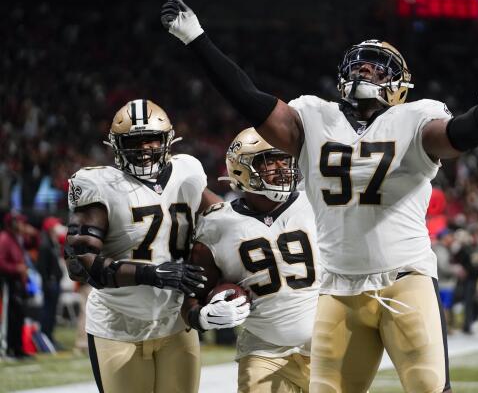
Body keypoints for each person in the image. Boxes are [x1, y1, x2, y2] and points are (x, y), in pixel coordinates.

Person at [161, 0, 478, 392]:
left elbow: (455, 137)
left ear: (399, 84)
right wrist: (197, 38)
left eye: (378, 66)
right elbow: (248, 98)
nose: (365, 68)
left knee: (429, 388)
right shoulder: (314, 116)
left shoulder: (415, 117)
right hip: (337, 288)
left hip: (404, 278)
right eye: (359, 62)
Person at [66, 99, 220, 393]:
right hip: (118, 326)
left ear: (168, 140)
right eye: (134, 141)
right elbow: (79, 263)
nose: (145, 148)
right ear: (116, 145)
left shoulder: (187, 171)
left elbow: (223, 221)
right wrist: (152, 274)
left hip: (175, 323)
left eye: (152, 139)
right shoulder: (99, 185)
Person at [183, 127, 319, 393]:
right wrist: (204, 317)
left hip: (329, 345)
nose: (282, 167)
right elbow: (191, 298)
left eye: (285, 158)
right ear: (241, 168)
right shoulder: (217, 223)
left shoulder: (316, 201)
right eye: (270, 161)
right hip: (263, 352)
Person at [0, 211, 30, 359]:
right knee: (9, 317)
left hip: (18, 283)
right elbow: (1, 262)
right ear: (12, 223)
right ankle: (7, 349)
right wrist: (16, 268)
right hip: (8, 283)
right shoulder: (5, 239)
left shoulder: (17, 239)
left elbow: (35, 239)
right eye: (19, 222)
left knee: (19, 317)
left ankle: (18, 348)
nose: (22, 225)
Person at [37, 216, 66, 347]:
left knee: (53, 312)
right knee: (48, 311)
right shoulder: (45, 245)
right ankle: (45, 338)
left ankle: (50, 337)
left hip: (55, 282)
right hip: (50, 283)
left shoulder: (53, 242)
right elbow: (42, 267)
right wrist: (47, 282)